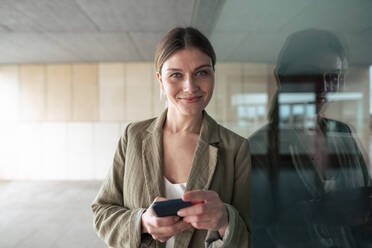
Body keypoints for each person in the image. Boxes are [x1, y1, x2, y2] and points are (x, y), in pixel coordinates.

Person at [91, 27, 250, 248]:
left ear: (214, 73)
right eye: (176, 75)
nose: (190, 87)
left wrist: (225, 221)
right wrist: (142, 222)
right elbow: (102, 212)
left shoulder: (236, 149)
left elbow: (252, 232)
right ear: (160, 80)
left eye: (202, 72)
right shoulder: (133, 137)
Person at [248, 29, 372, 248]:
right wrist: (319, 214)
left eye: (332, 76)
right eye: (310, 74)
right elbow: (254, 235)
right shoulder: (258, 149)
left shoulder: (343, 134)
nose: (323, 88)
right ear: (283, 77)